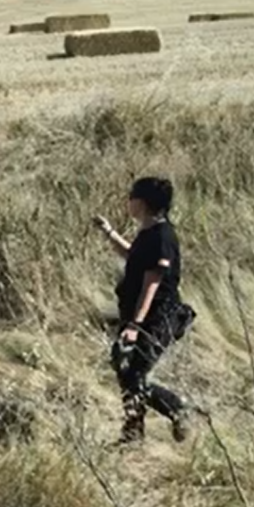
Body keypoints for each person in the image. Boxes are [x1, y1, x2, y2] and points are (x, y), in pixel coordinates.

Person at [92, 176, 194, 445]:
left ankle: (178, 408)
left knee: (134, 374)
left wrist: (135, 326)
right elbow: (133, 255)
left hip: (159, 317)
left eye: (131, 196)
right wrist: (109, 232)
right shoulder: (148, 233)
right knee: (125, 370)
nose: (128, 201)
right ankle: (133, 433)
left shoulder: (162, 236)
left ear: (143, 202)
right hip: (141, 317)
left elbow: (153, 282)